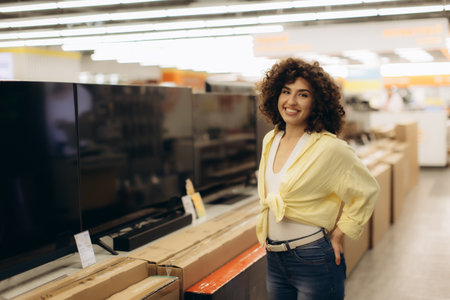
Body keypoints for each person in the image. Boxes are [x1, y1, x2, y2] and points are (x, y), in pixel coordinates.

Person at [255, 57, 380, 300]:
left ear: (317, 102)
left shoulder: (330, 148)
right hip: (274, 257)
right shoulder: (270, 139)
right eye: (286, 91)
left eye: (303, 94)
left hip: (312, 258)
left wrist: (340, 232)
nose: (291, 101)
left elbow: (367, 190)